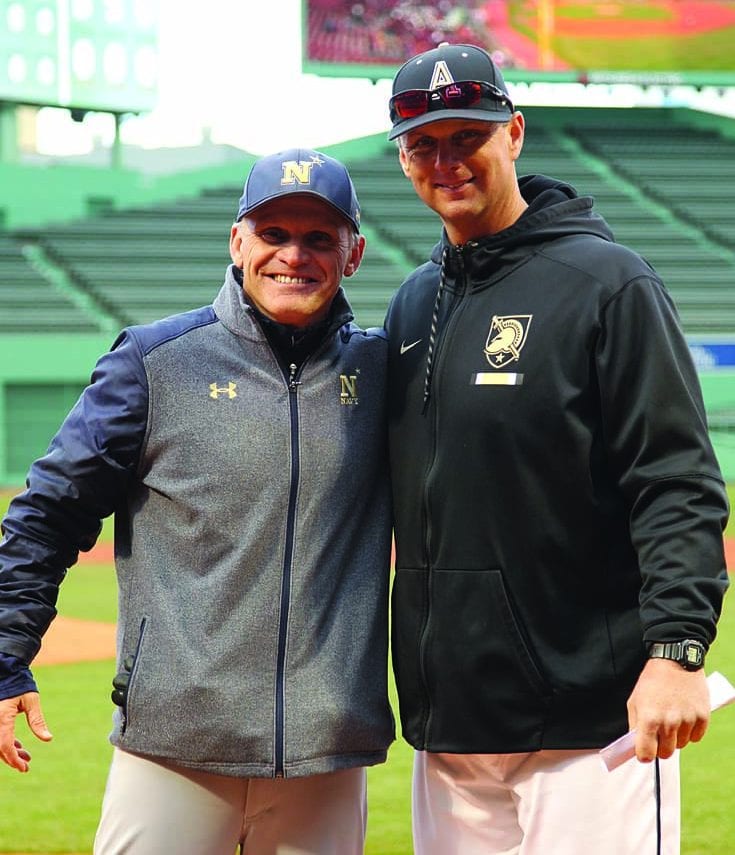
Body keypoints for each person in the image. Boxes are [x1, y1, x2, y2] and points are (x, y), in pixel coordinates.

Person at [384, 42, 730, 854]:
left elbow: (674, 478)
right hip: (452, 727)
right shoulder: (412, 302)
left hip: (590, 727)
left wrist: (677, 651)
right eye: (424, 144)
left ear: (513, 133)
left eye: (467, 135)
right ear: (402, 160)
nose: (447, 160)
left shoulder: (608, 283)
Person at [0, 148, 394, 854]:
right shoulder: (154, 362)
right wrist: (6, 653)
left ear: (353, 252)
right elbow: (50, 512)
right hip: (174, 749)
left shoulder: (380, 373)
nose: (292, 256)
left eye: (317, 238)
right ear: (237, 241)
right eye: (273, 234)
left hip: (324, 756)